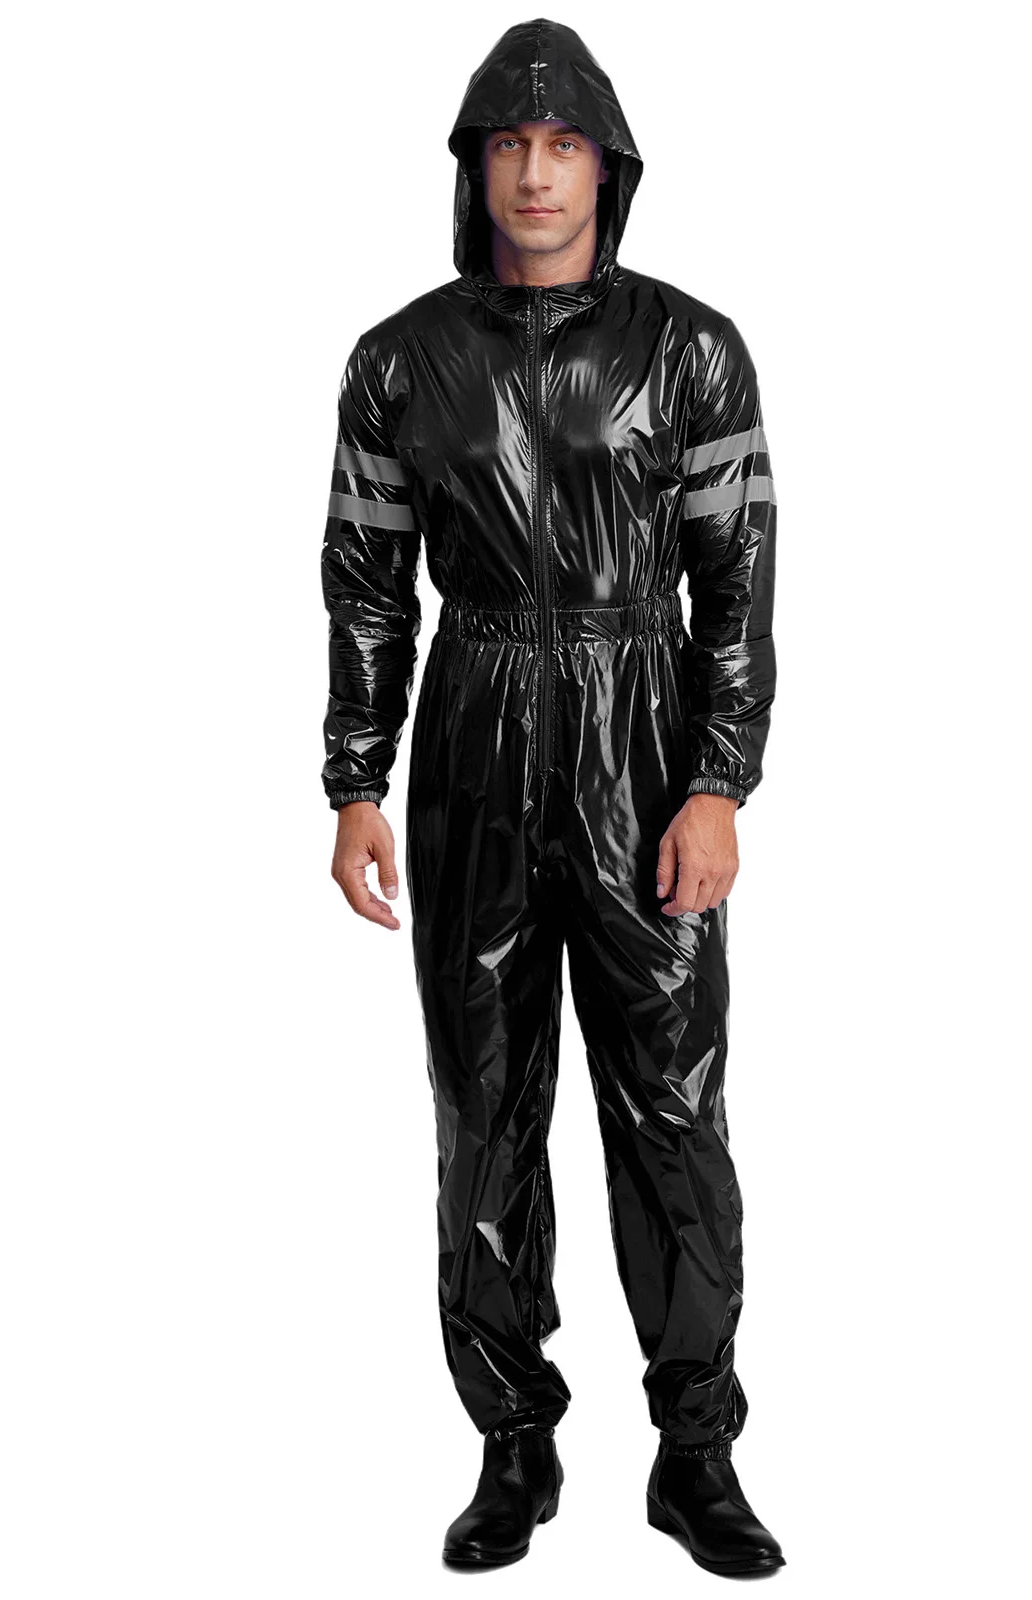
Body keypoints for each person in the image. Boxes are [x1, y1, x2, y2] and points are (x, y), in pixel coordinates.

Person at [320, 18, 783, 1577]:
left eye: (563, 144)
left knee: (673, 1109)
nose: (535, 172)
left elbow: (737, 581)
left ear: (607, 166)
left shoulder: (691, 349)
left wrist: (717, 780)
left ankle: (696, 1452)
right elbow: (367, 580)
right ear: (475, 167)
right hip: (473, 745)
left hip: (641, 738)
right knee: (483, 1105)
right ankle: (513, 1443)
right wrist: (356, 778)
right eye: (509, 145)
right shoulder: (399, 360)